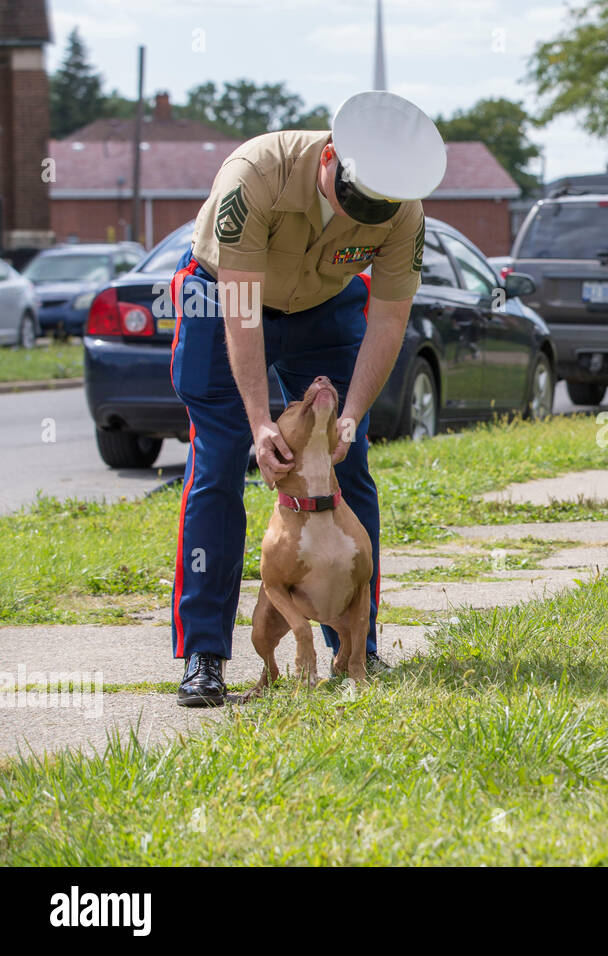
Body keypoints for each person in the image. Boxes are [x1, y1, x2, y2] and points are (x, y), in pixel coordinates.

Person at [169, 91, 447, 707]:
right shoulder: (255, 175)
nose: (361, 216)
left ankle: (355, 648)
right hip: (224, 298)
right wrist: (261, 422)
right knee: (218, 463)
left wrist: (349, 414)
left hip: (324, 307)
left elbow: (389, 319)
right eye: (349, 202)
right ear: (328, 158)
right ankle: (204, 658)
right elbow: (242, 308)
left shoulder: (403, 211)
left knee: (350, 461)